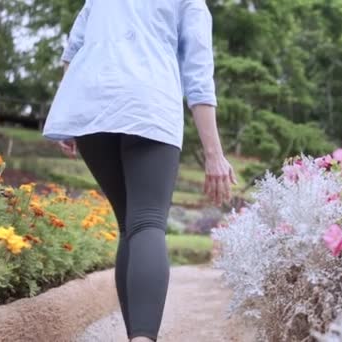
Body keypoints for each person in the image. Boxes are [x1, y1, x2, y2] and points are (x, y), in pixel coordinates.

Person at [42, 0, 236, 341]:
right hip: (148, 106)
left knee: (130, 227)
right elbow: (198, 75)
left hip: (91, 109)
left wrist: (68, 116)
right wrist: (214, 154)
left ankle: (138, 335)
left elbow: (73, 52)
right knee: (147, 222)